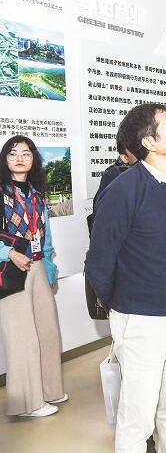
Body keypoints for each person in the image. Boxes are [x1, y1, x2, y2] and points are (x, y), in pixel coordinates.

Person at [85, 103, 166, 452]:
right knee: (137, 417)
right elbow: (99, 259)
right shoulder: (125, 188)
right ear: (149, 142)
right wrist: (120, 306)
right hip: (141, 318)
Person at [0, 136, 64, 418]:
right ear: (5, 159)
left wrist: (49, 268)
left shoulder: (37, 194)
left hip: (37, 266)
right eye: (13, 153)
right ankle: (27, 403)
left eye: (26, 154)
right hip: (10, 268)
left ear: (33, 159)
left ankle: (50, 390)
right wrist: (8, 253)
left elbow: (44, 236)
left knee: (48, 331)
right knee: (22, 336)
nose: (19, 158)